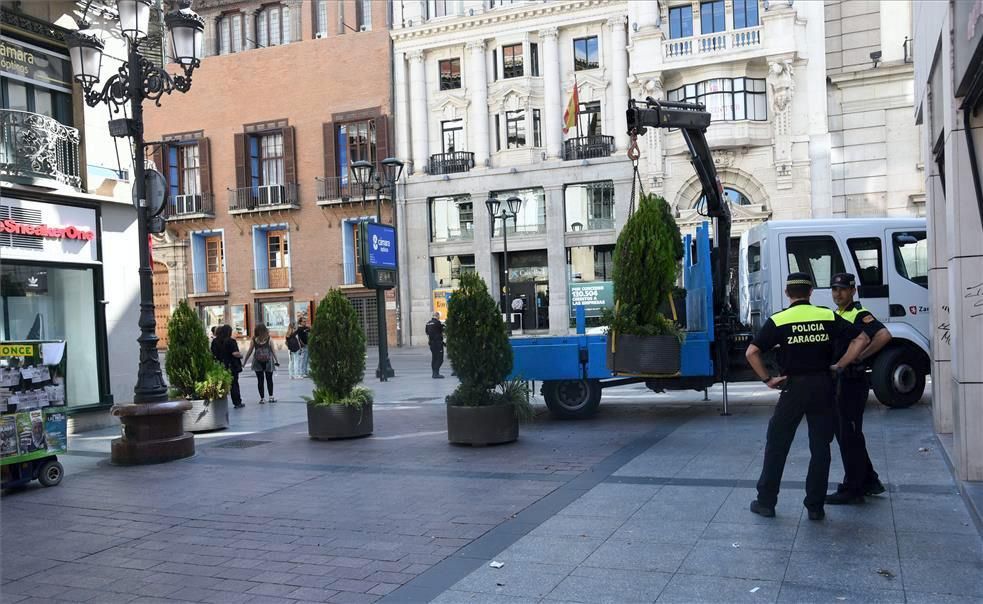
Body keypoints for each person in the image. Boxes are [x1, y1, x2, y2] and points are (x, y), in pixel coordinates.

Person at [745, 272, 870, 521]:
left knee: (777, 444)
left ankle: (766, 502)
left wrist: (768, 380)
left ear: (787, 293)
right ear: (810, 292)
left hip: (793, 389)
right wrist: (840, 364)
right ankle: (815, 506)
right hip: (823, 387)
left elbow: (752, 352)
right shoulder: (826, 315)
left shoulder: (779, 320)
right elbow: (862, 338)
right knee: (821, 447)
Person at [826, 273, 892, 504]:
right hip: (841, 382)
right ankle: (869, 480)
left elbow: (884, 335)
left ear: (853, 291)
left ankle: (852, 488)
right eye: (834, 289)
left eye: (843, 289)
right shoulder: (836, 315)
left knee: (848, 436)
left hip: (852, 383)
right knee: (851, 435)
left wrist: (859, 356)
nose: (838, 293)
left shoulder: (859, 314)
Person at [242, 324, 279, 404]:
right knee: (269, 379)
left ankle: (262, 399)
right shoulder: (269, 339)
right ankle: (271, 397)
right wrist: (276, 360)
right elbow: (273, 351)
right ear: (265, 330)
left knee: (260, 380)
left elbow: (249, 351)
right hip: (268, 362)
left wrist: (244, 362)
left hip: (257, 362)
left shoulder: (254, 339)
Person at [215, 325, 243, 408]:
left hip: (220, 366)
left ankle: (219, 401)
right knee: (234, 384)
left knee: (220, 384)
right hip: (231, 366)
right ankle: (237, 402)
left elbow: (213, 353)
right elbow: (235, 353)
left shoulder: (215, 341)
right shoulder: (231, 341)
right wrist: (241, 356)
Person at [425, 312, 445, 379]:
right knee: (440, 359)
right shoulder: (437, 323)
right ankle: (436, 373)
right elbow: (442, 331)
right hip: (438, 343)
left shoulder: (428, 323)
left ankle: (434, 373)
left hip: (431, 343)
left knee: (434, 358)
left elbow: (427, 333)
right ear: (437, 316)